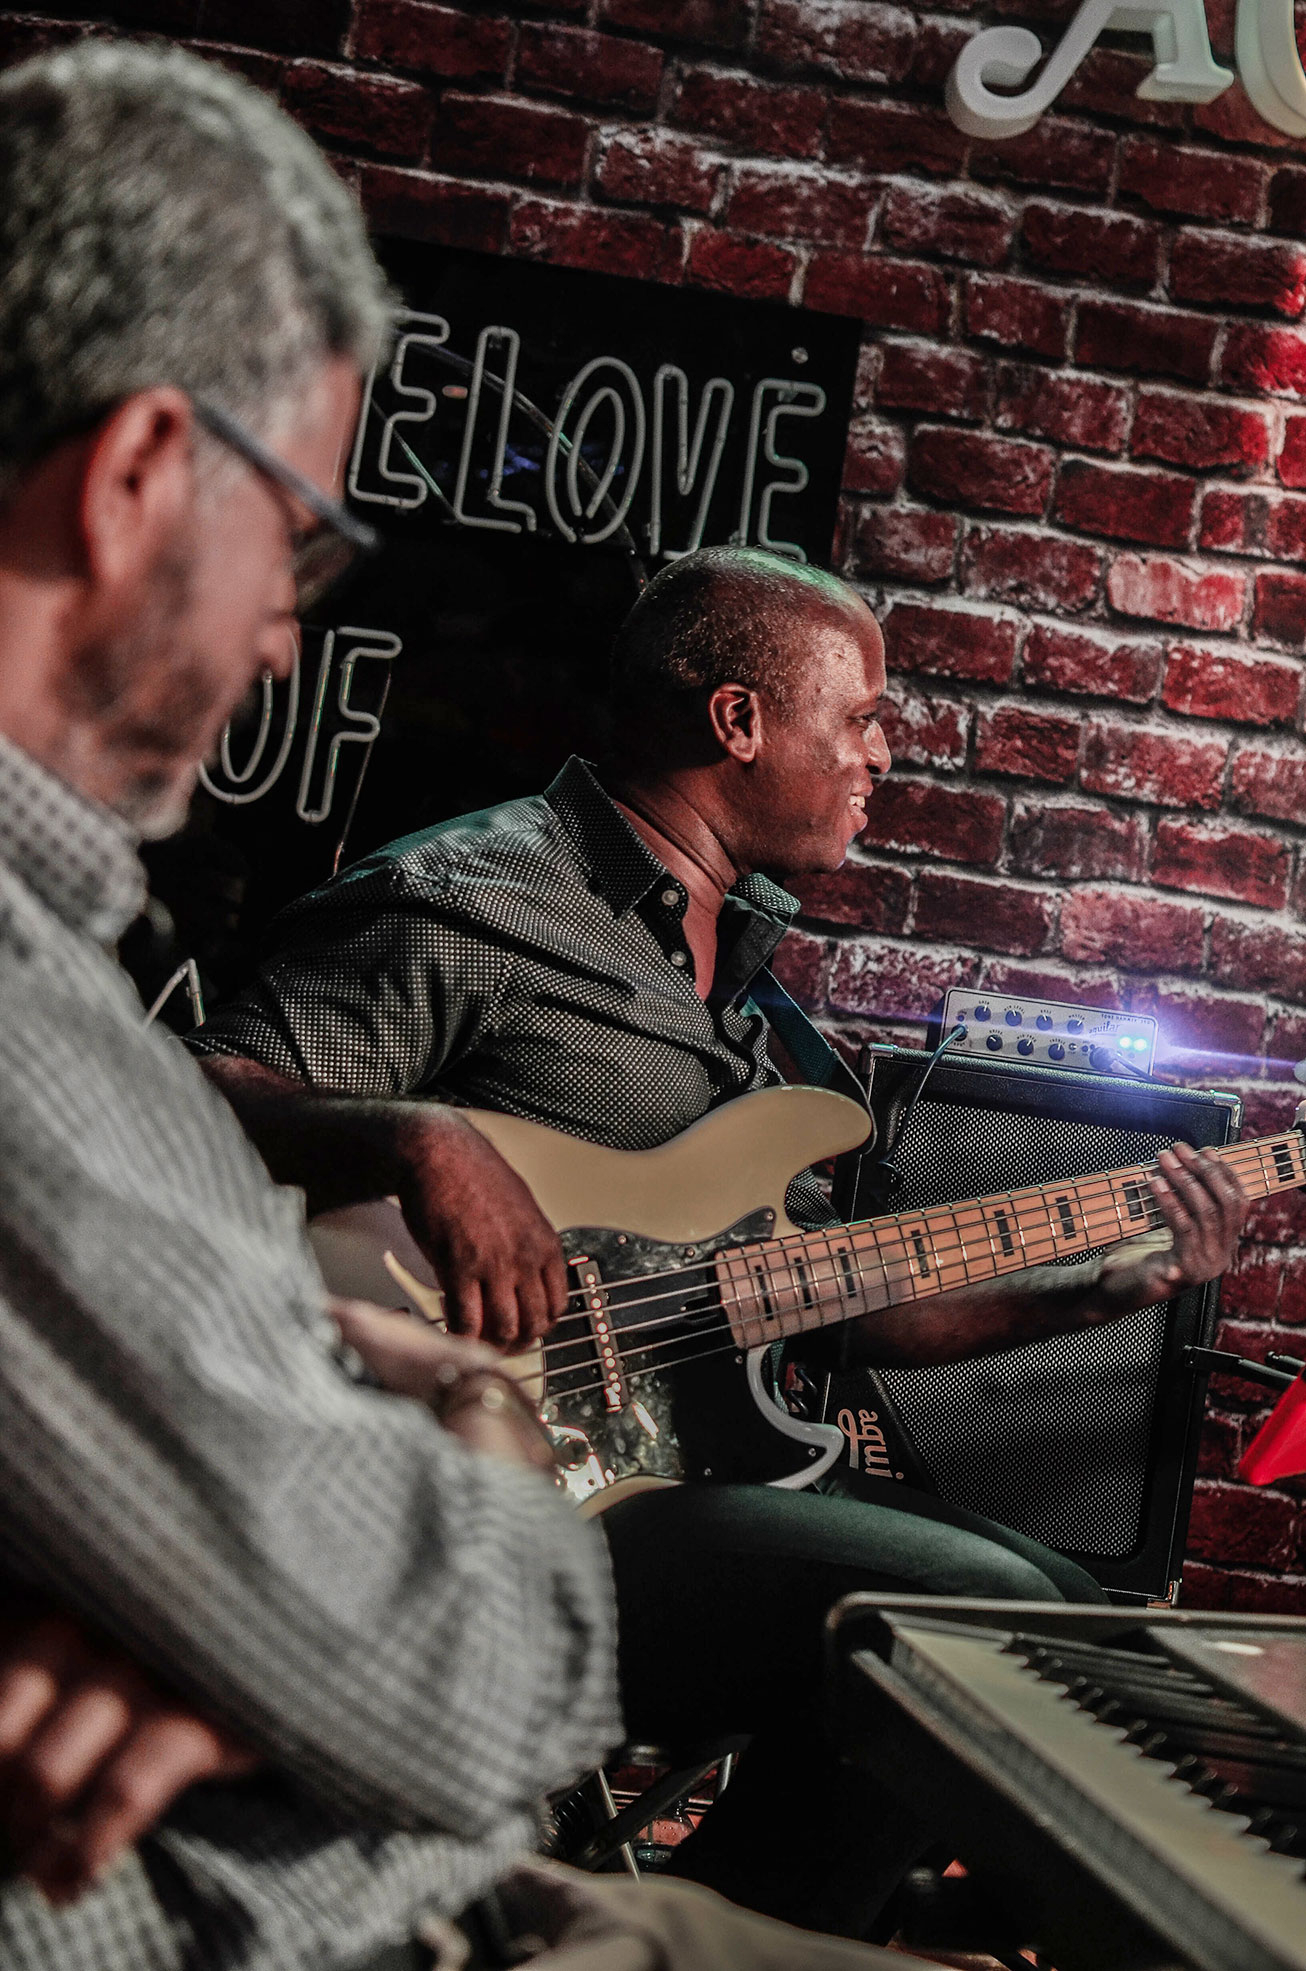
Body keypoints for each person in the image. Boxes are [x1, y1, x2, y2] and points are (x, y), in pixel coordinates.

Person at [0, 39, 925, 1971]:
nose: (295, 623)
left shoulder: (764, 1004)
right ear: (143, 477)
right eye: (307, 539)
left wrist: (244, 1629)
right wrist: (441, 1409)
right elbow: (468, 1702)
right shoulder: (48, 1031)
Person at [192, 545, 1248, 1936]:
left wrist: (1101, 1293)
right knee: (959, 1628)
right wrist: (421, 1138)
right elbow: (198, 1087)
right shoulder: (483, 898)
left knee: (1056, 1619)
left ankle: (690, 1933)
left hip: (652, 1477)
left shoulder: (755, 1014)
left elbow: (824, 1308)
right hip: (467, 1492)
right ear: (737, 722)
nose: (879, 758)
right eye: (857, 716)